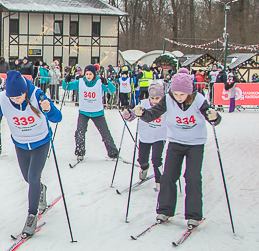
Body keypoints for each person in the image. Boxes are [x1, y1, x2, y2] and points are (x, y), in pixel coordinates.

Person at [0, 70, 63, 237]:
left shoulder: (37, 95)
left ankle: (31, 215)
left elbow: (57, 118)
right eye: (12, 98)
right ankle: (41, 189)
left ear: (25, 91)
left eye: (19, 97)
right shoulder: (3, 99)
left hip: (40, 142)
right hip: (21, 143)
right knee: (28, 178)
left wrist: (49, 108)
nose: (16, 101)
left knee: (32, 177)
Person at [133, 68, 221, 230]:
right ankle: (165, 210)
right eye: (176, 94)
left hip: (195, 143)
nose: (179, 97)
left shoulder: (199, 99)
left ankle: (194, 215)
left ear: (190, 92)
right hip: (175, 141)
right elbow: (153, 114)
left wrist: (214, 117)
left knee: (192, 177)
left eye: (182, 94)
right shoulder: (168, 99)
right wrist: (142, 113)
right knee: (168, 176)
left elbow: (213, 118)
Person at [62, 64, 118, 163]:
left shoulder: (99, 83)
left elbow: (112, 90)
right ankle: (80, 153)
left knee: (105, 133)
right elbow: (66, 87)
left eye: (90, 74)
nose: (88, 76)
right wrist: (65, 81)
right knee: (80, 132)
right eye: (87, 74)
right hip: (84, 112)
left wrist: (107, 82)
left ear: (94, 75)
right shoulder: (80, 82)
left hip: (97, 112)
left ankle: (113, 153)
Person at [127, 80, 166, 183]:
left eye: (158, 98)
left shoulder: (165, 106)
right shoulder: (143, 103)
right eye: (152, 98)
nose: (154, 101)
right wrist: (128, 115)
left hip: (160, 136)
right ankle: (144, 168)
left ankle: (160, 181)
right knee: (142, 159)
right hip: (145, 136)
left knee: (156, 159)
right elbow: (133, 114)